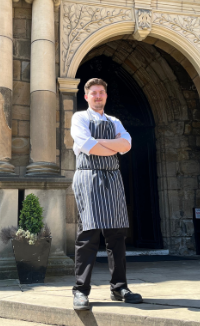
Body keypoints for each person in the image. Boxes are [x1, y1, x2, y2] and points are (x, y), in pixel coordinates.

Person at [70, 78, 142, 311]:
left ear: (106, 96)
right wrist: (113, 145)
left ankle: (119, 287)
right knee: (88, 235)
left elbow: (128, 144)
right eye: (94, 93)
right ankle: (81, 291)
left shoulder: (115, 120)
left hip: (112, 177)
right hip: (88, 176)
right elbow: (86, 145)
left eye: (101, 92)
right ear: (86, 96)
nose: (98, 96)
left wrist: (98, 143)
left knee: (117, 236)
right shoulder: (79, 117)